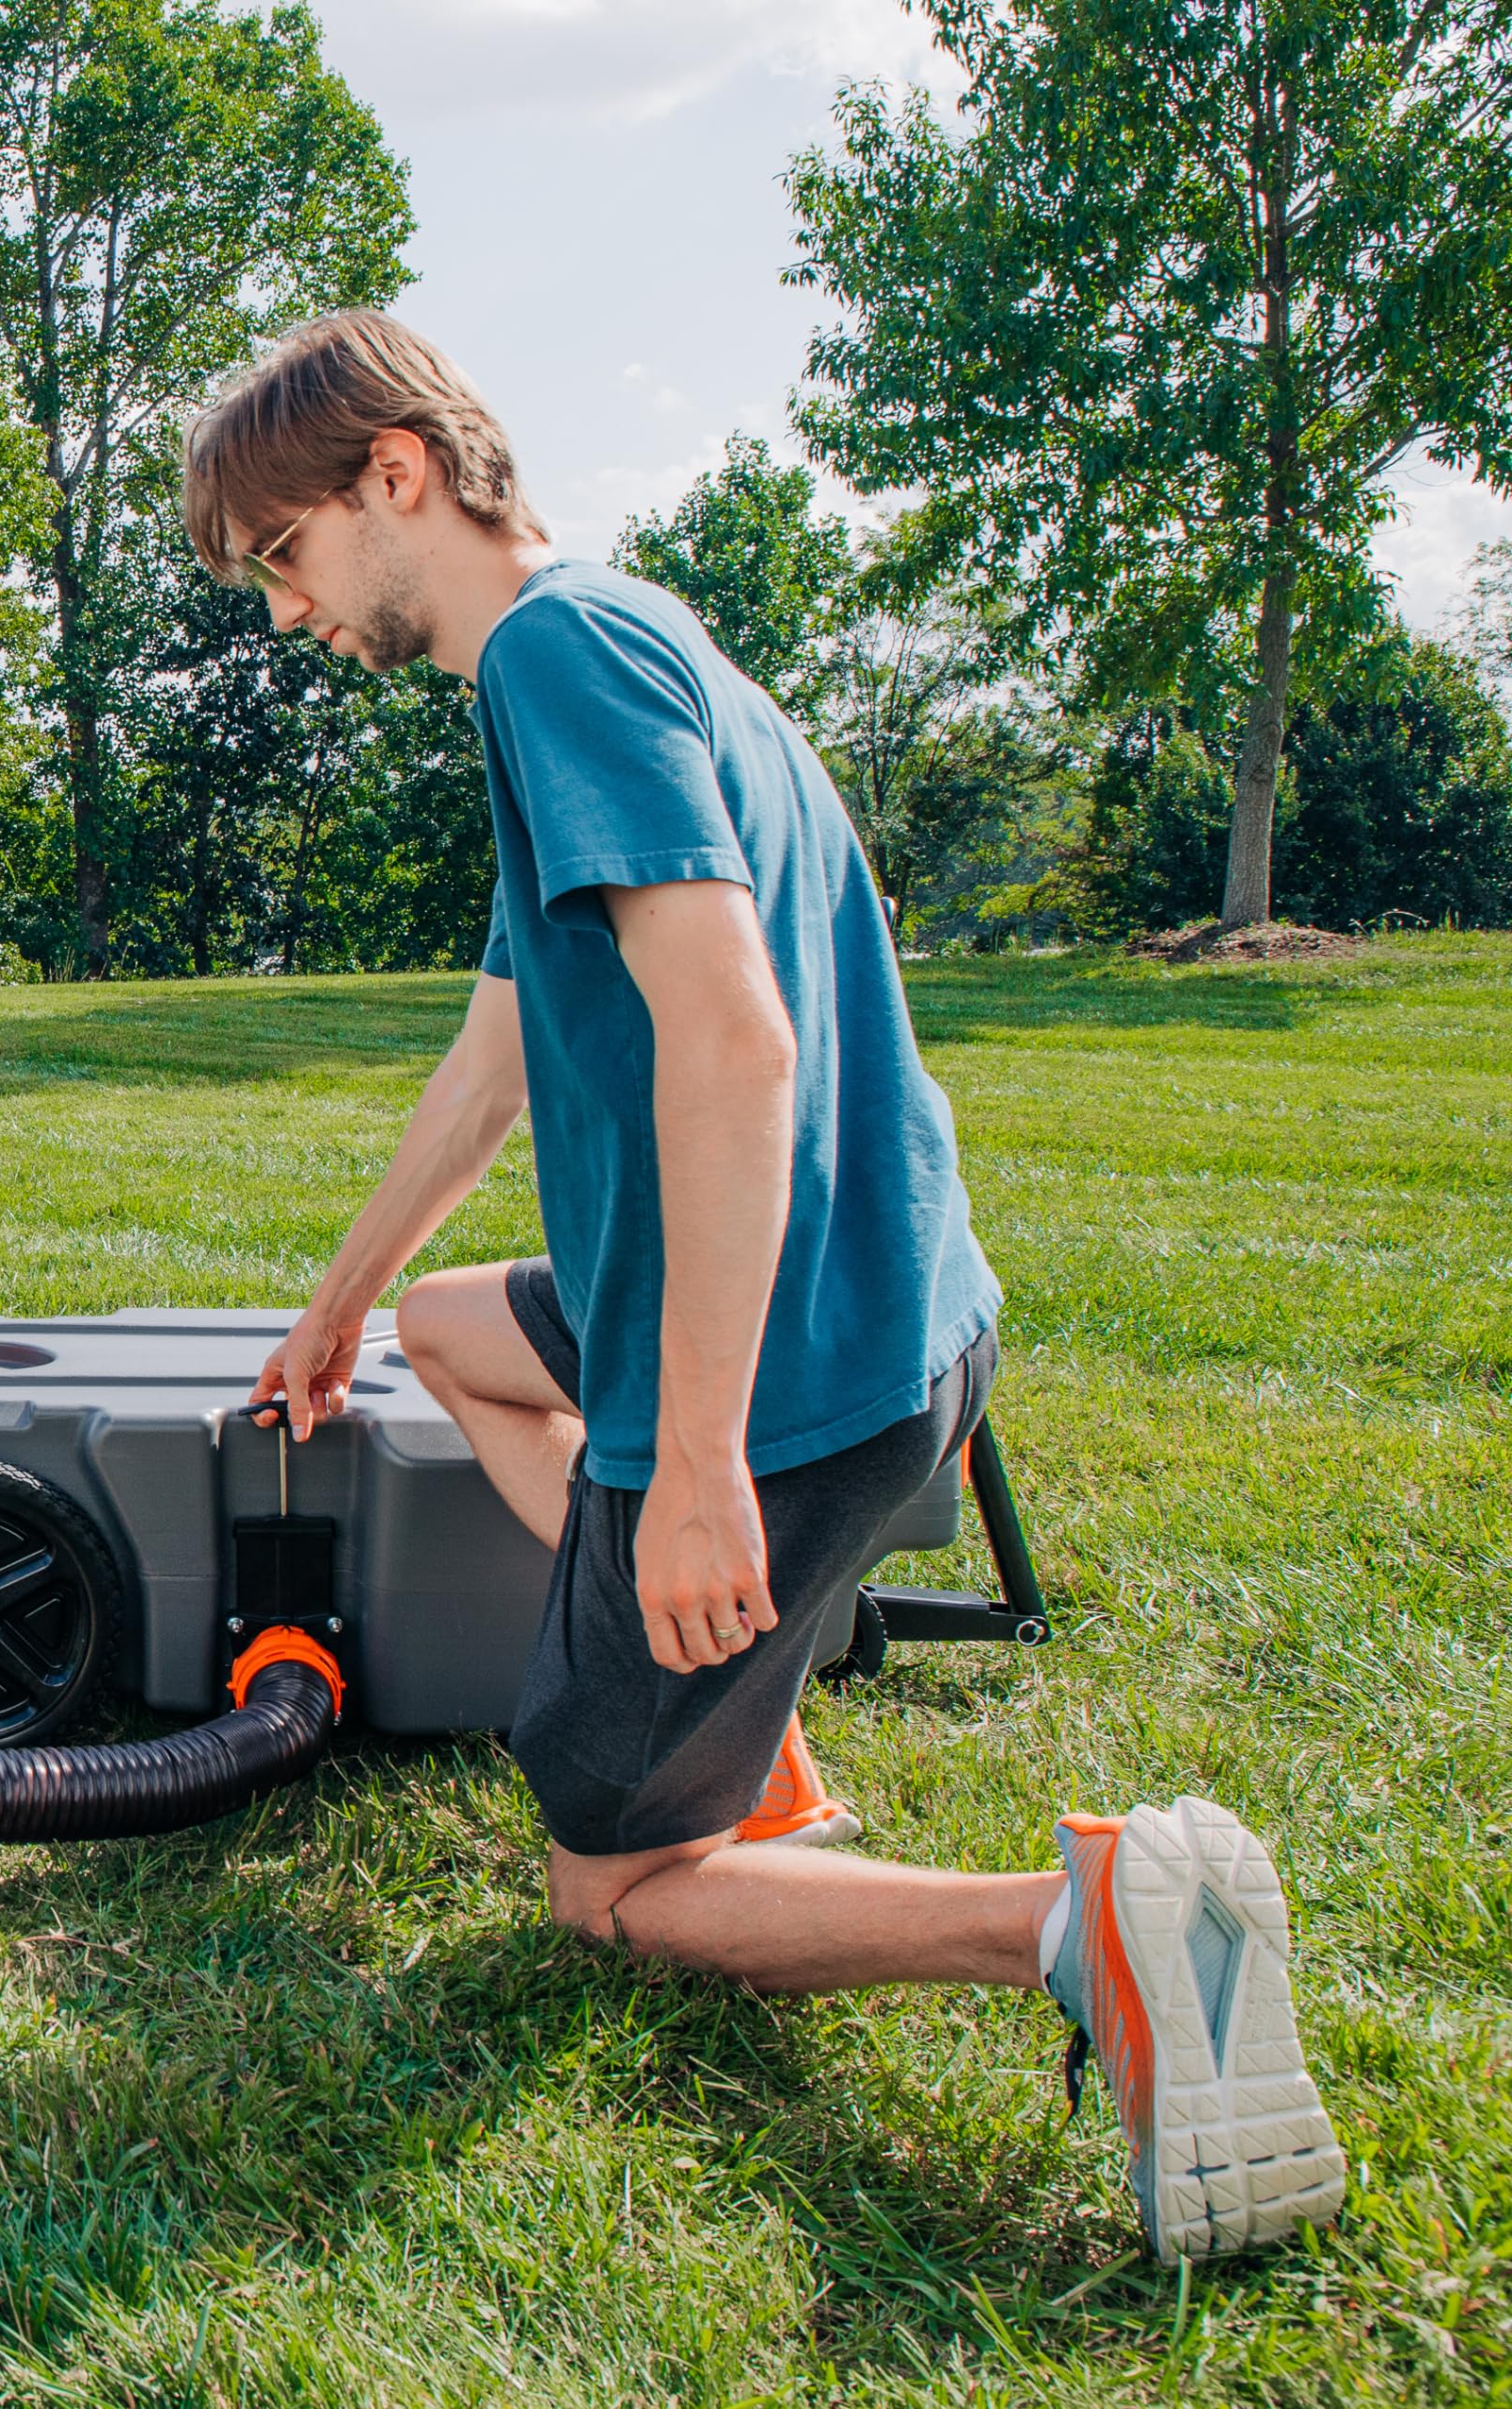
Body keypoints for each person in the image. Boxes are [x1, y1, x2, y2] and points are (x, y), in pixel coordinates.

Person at [180, 311, 1345, 2263]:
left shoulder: (553, 658)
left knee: (608, 1881)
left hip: (781, 1366)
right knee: (456, 1338)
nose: (287, 618)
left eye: (279, 560)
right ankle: (733, 1681)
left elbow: (730, 1038)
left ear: (390, 473)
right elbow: (494, 1057)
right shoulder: (600, 638)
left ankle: (1079, 1920)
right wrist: (341, 1297)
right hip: (868, 1300)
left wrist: (697, 1456)